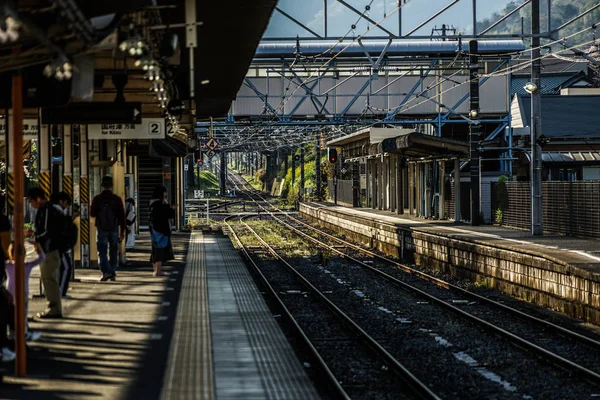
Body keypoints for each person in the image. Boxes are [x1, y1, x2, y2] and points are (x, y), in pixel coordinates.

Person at [26, 187, 64, 319]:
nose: (32, 205)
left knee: (49, 279)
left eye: (31, 202)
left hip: (50, 249)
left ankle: (54, 309)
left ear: (38, 199)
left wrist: (36, 237)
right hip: (48, 249)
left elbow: (47, 231)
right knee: (48, 278)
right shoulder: (47, 210)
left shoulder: (47, 210)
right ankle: (53, 307)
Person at [5, 241, 44, 341]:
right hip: (21, 294)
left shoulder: (9, 265)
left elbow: (42, 258)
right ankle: (23, 333)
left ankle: (15, 334)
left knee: (13, 314)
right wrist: (37, 247)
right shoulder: (26, 266)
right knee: (22, 314)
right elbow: (41, 258)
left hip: (11, 294)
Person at [90, 176, 125, 281]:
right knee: (113, 250)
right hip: (114, 227)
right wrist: (123, 231)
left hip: (101, 228)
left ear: (101, 185)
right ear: (112, 185)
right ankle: (112, 272)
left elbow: (92, 214)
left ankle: (106, 272)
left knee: (102, 250)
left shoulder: (97, 199)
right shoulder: (117, 199)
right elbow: (122, 216)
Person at [51, 191, 74, 297]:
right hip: (59, 246)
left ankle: (59, 291)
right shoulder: (57, 211)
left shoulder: (51, 210)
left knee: (60, 268)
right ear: (61, 202)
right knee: (66, 267)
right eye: (66, 203)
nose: (66, 206)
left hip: (54, 246)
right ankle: (61, 292)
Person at [149, 185, 174, 277]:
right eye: (164, 192)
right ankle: (158, 271)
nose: (166, 194)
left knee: (155, 249)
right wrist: (171, 209)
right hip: (161, 229)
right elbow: (166, 215)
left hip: (155, 228)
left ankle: (155, 269)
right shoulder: (159, 204)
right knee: (159, 249)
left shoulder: (152, 203)